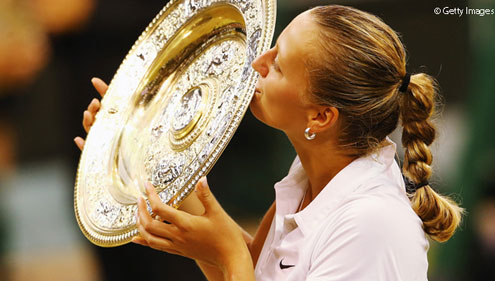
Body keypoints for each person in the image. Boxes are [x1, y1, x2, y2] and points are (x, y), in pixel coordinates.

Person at [75, 5, 464, 281]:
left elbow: (237, 266)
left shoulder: (369, 226)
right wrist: (134, 145)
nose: (258, 62)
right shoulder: (308, 180)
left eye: (278, 65)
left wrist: (227, 252)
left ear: (320, 117)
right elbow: (255, 272)